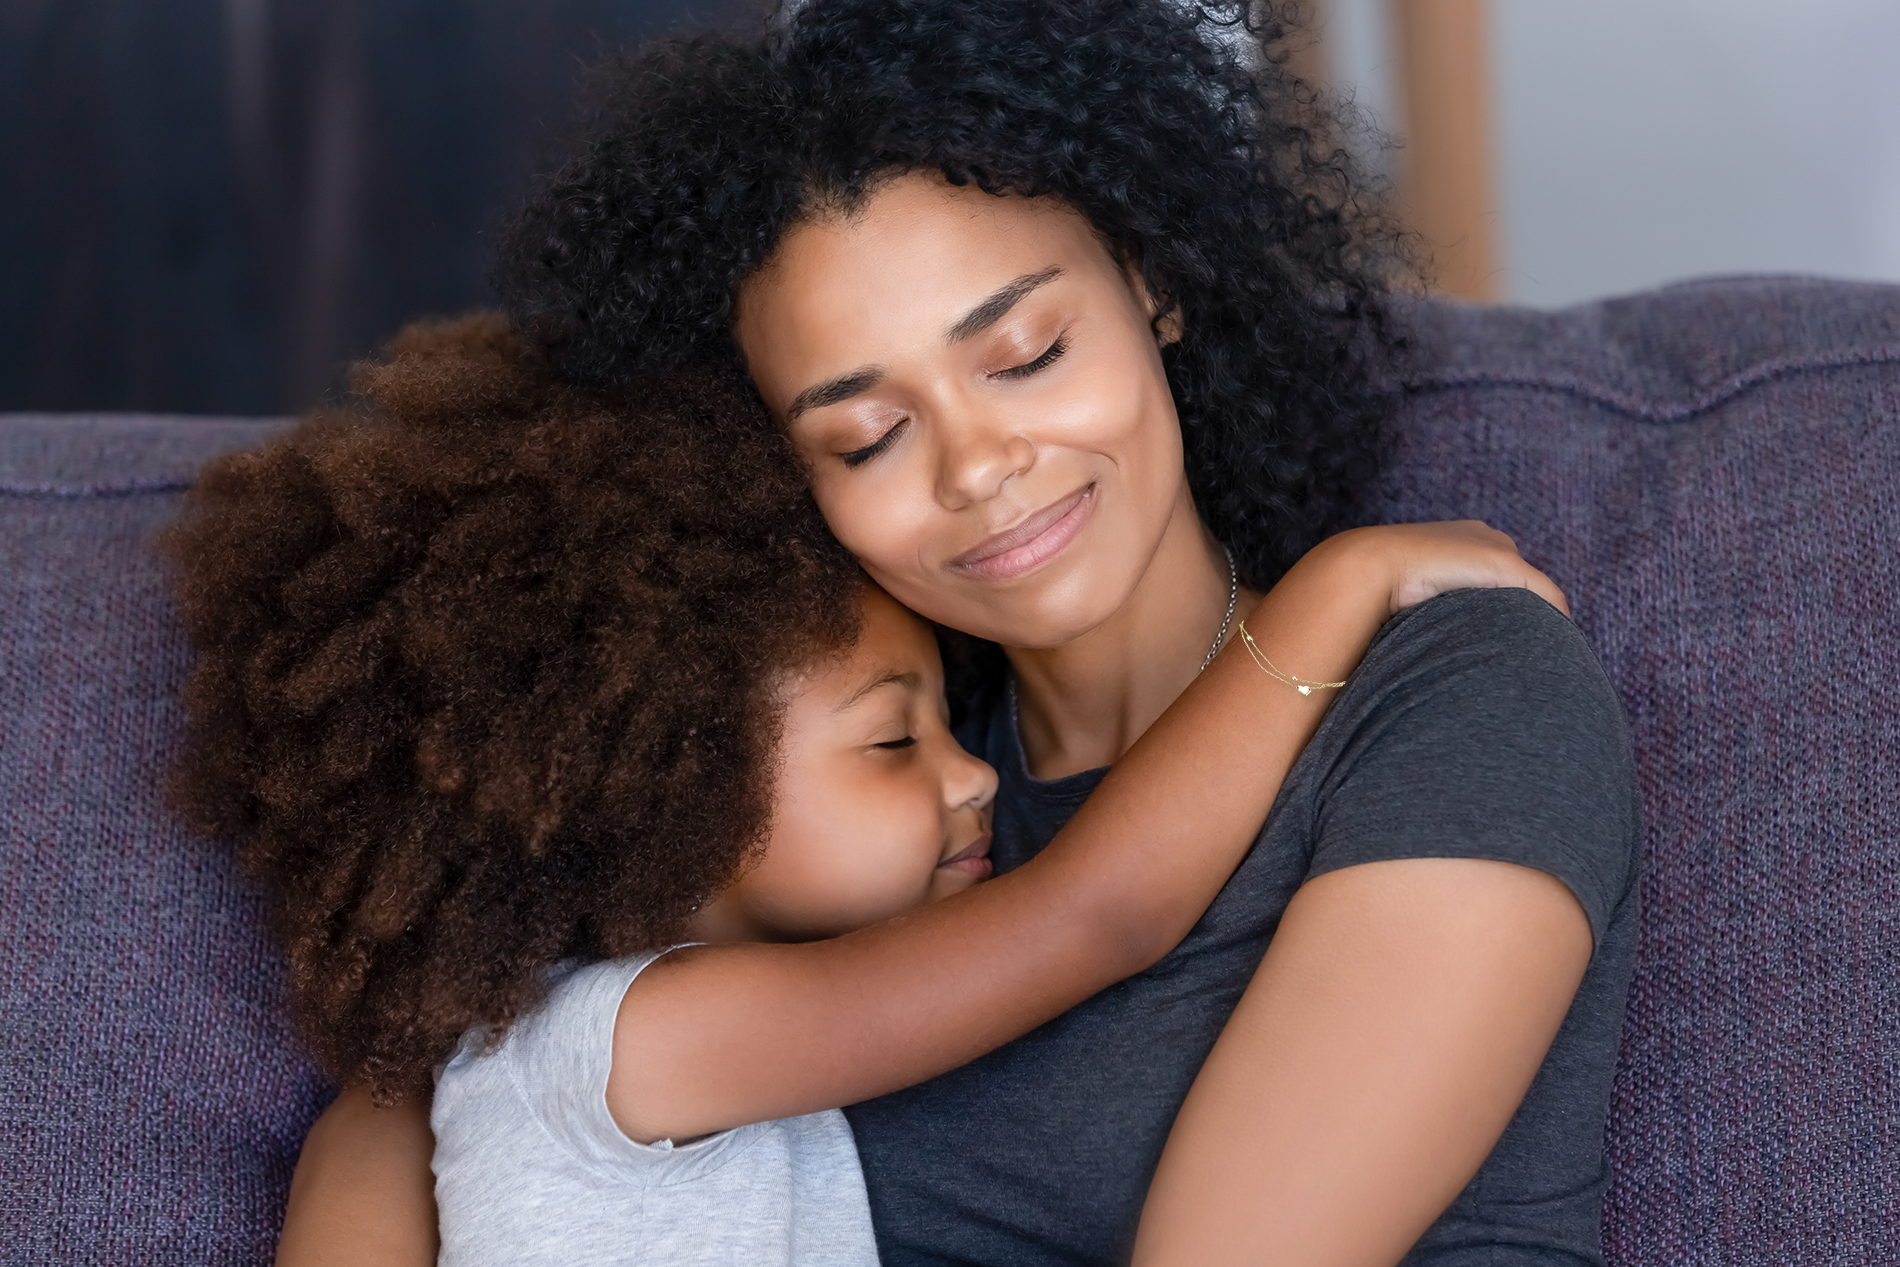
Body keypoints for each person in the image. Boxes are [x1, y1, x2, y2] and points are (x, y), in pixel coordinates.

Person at [282, 1, 1641, 1262]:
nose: (978, 464)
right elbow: (432, 1090)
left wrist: (1325, 601)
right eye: (869, 434)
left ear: (1152, 283)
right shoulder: (862, 786)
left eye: (1027, 352)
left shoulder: (1460, 694)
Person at [169, 313, 1557, 1265]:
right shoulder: (639, 1040)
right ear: (672, 800)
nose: (973, 778)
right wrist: (1335, 588)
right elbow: (1096, 914)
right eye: (894, 742)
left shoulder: (521, 1063)